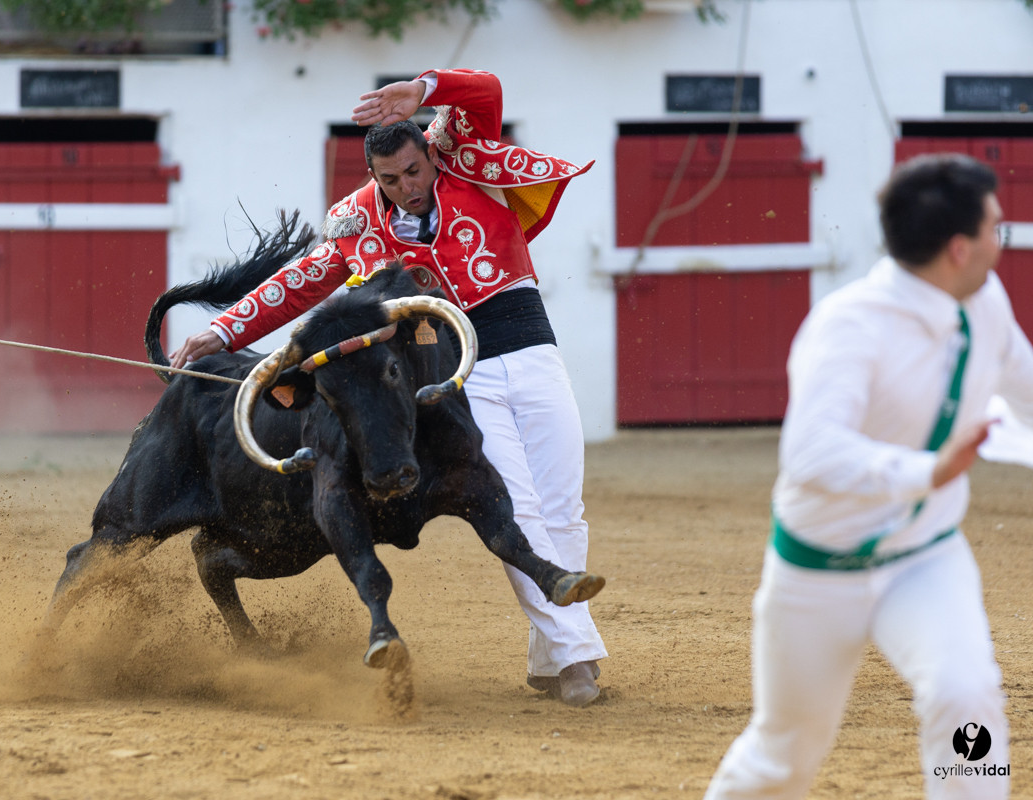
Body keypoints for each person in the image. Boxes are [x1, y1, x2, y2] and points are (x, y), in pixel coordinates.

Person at [169, 69, 608, 707]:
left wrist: (424, 89)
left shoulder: (464, 159)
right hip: (460, 374)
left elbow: (485, 89)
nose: (407, 188)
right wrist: (223, 330)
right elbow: (299, 282)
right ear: (373, 177)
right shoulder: (357, 224)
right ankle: (574, 662)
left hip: (536, 351)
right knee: (523, 509)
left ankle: (553, 655)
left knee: (565, 507)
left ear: (429, 155)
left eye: (413, 172)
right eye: (391, 180)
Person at [704, 152, 1033, 798]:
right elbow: (812, 452)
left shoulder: (983, 301)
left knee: (967, 694)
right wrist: (927, 470)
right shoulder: (849, 325)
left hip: (924, 556)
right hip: (817, 570)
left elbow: (1024, 382)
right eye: (996, 228)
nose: (1003, 241)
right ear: (959, 249)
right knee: (784, 754)